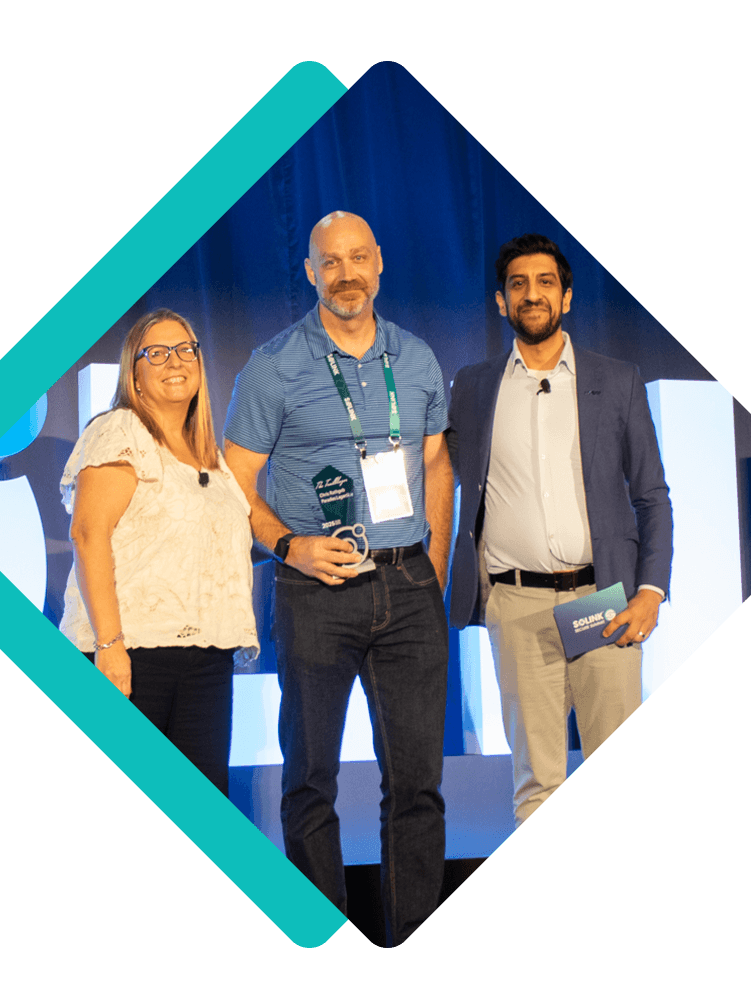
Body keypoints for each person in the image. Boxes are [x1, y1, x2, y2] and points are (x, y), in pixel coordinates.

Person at [222, 211, 453, 947]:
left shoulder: (415, 358)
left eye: (358, 258)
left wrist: (433, 571)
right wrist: (288, 547)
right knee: (311, 782)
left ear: (379, 263)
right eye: (331, 261)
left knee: (416, 786)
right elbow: (234, 482)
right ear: (310, 271)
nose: (346, 273)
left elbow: (437, 465)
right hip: (314, 595)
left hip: (410, 590)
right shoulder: (273, 365)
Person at [447, 234, 673, 827]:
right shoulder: (471, 387)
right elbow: (436, 474)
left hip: (603, 600)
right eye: (518, 284)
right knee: (536, 783)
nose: (532, 294)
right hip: (516, 603)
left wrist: (650, 591)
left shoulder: (617, 380)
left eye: (545, 282)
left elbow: (652, 495)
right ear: (501, 302)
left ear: (567, 297)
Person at [59, 308, 258, 798]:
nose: (175, 361)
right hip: (133, 658)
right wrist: (110, 647)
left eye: (185, 349)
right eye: (157, 352)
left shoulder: (209, 456)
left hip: (207, 661)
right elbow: (88, 534)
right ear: (135, 373)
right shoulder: (120, 430)